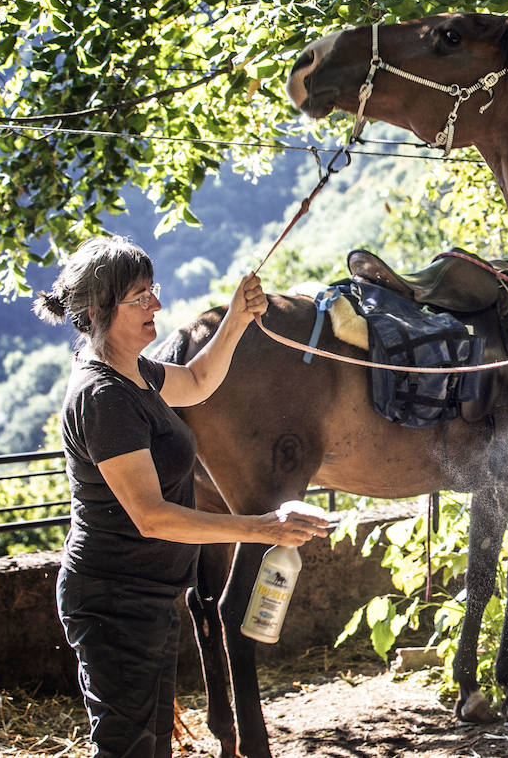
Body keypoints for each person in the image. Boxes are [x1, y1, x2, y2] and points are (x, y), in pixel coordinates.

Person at [33, 235, 330, 758]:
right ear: (100, 309)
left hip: (146, 596)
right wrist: (262, 528)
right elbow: (152, 517)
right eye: (141, 296)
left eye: (154, 290)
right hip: (113, 602)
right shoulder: (104, 398)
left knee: (150, 747)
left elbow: (195, 380)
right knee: (130, 748)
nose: (158, 306)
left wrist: (237, 319)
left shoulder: (135, 374)